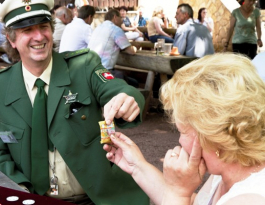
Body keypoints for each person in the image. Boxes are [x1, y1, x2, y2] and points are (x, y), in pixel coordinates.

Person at [0, 0, 149, 204]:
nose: (39, 36)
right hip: (36, 199)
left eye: (43, 27)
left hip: (99, 198)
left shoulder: (83, 65)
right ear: (12, 39)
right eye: (27, 30)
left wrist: (127, 97)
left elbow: (115, 88)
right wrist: (19, 189)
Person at [103, 53, 265, 205]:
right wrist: (137, 166)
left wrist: (178, 193)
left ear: (212, 133)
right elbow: (197, 202)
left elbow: (178, 199)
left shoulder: (250, 199)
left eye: (182, 131)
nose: (180, 140)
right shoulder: (228, 169)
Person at [87, 9, 137, 80]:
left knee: (128, 79)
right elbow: (131, 51)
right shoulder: (115, 29)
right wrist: (135, 47)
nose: (122, 20)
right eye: (120, 17)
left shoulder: (98, 27)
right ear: (115, 17)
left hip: (89, 70)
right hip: (103, 72)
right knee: (133, 83)